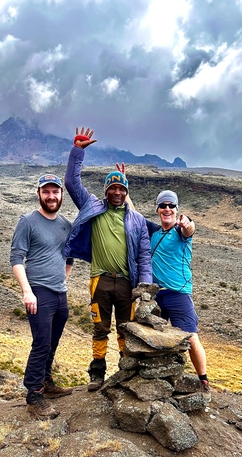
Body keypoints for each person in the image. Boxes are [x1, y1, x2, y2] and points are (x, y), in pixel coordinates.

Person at [64, 127, 152, 391]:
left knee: (127, 329)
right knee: (100, 328)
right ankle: (97, 372)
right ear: (106, 190)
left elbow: (144, 255)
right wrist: (77, 151)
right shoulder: (92, 206)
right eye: (112, 187)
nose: (116, 192)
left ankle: (125, 370)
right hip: (100, 280)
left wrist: (145, 286)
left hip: (127, 283)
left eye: (121, 188)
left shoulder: (136, 220)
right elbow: (71, 182)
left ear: (126, 192)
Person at [10, 174, 74, 419]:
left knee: (53, 342)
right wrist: (27, 291)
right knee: (41, 343)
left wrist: (63, 280)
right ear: (38, 193)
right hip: (38, 292)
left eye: (55, 192)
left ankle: (46, 381)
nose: (51, 196)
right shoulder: (27, 221)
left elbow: (69, 258)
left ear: (61, 195)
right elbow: (16, 258)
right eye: (46, 192)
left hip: (60, 293)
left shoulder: (65, 224)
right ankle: (34, 394)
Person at [146, 190, 210, 393]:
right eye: (163, 205)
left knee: (190, 337)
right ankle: (158, 378)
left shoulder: (180, 232)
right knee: (154, 338)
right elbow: (131, 212)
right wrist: (126, 186)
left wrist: (187, 223)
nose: (167, 209)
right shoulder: (154, 232)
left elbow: (190, 229)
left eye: (171, 206)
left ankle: (203, 380)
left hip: (178, 294)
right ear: (157, 209)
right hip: (156, 294)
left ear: (176, 210)